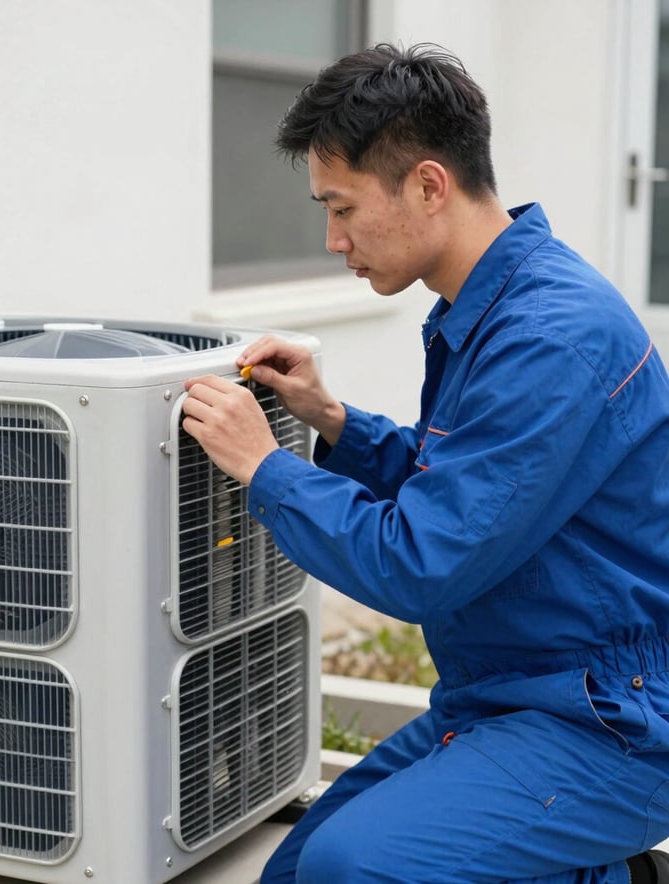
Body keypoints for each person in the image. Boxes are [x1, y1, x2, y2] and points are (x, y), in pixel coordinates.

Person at [181, 42, 669, 883]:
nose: (333, 240)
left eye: (342, 208)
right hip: (509, 689)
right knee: (295, 873)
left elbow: (423, 562)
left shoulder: (551, 333)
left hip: (610, 716)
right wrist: (332, 423)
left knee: (351, 869)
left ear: (430, 185)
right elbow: (464, 487)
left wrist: (267, 468)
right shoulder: (486, 305)